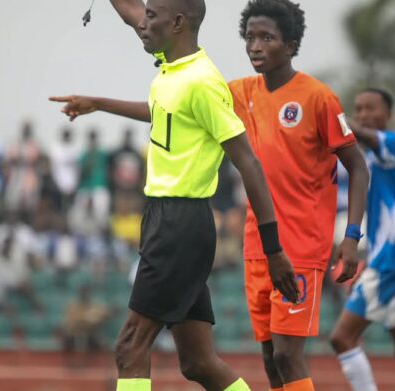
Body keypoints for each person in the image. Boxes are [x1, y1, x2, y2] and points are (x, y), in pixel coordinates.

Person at [49, 1, 299, 390]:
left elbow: (248, 163)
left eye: (152, 17)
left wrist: (273, 248)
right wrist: (97, 103)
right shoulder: (172, 66)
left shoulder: (202, 82)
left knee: (130, 346)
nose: (142, 24)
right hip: (168, 221)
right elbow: (160, 104)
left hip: (180, 224)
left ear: (178, 23)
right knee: (199, 362)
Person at [229, 1, 369, 390]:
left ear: (290, 45)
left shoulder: (318, 97)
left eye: (266, 38)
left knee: (288, 356)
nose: (255, 46)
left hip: (301, 249)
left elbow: (358, 167)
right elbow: (175, 108)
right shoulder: (241, 93)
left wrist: (352, 238)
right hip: (258, 245)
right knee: (270, 360)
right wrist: (101, 104)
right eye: (250, 37)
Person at [330, 89, 395, 391]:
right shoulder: (372, 158)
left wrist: (335, 119)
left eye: (370, 109)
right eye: (358, 109)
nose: (363, 115)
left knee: (342, 338)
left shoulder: (392, 143)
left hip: (393, 259)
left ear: (388, 114)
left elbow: (365, 136)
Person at [49, 127, 79, 211]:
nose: (66, 137)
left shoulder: (74, 148)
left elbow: (76, 168)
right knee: (58, 207)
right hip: (58, 181)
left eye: (68, 135)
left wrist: (75, 183)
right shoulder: (56, 148)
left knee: (70, 208)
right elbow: (54, 167)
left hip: (72, 183)